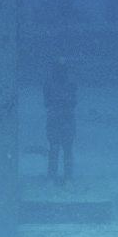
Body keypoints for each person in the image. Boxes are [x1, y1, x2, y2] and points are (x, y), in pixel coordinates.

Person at [43, 56, 77, 185]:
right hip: (64, 118)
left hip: (56, 117)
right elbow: (73, 101)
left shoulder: (49, 83)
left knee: (56, 147)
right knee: (64, 148)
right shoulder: (70, 83)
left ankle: (54, 176)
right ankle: (65, 176)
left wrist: (56, 104)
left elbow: (46, 102)